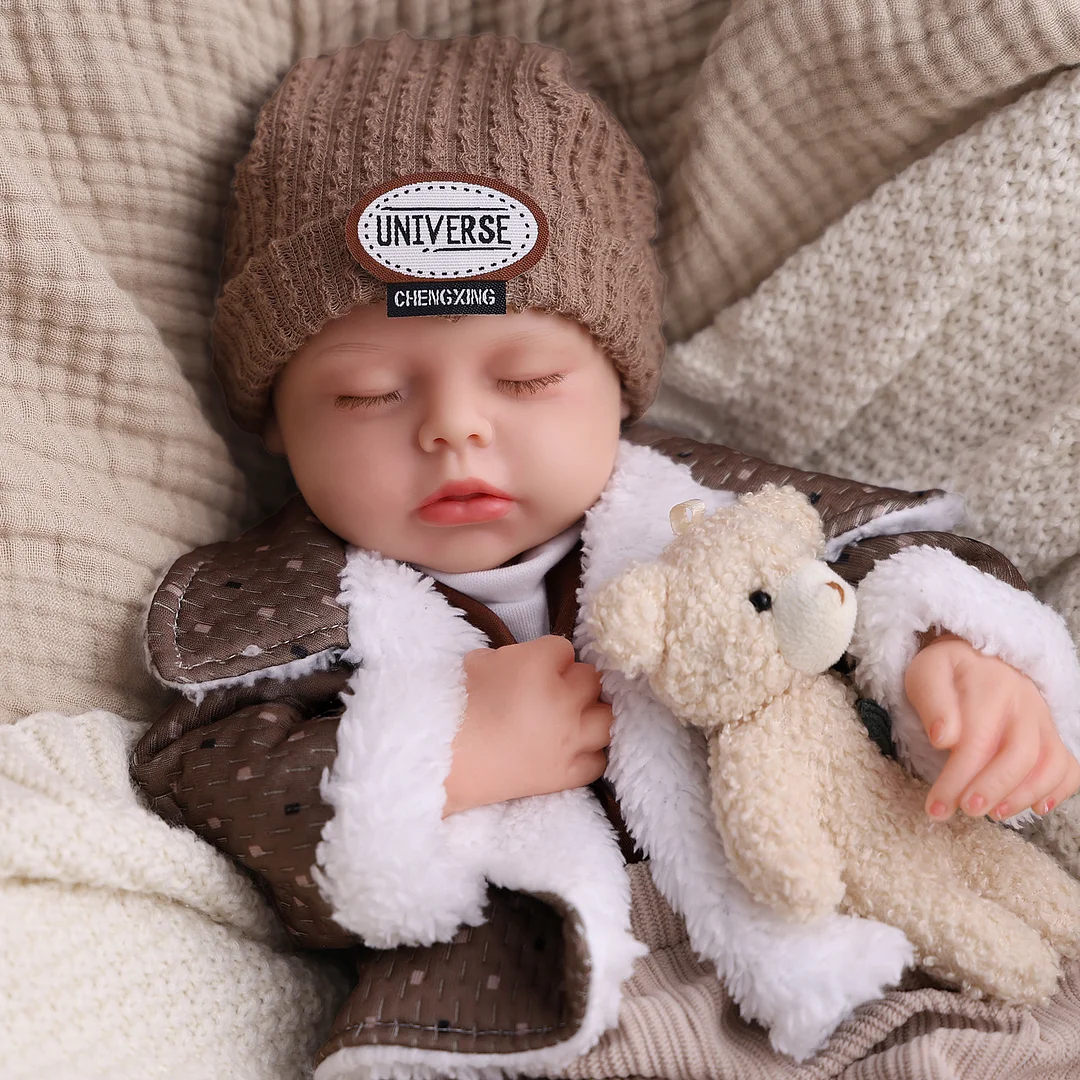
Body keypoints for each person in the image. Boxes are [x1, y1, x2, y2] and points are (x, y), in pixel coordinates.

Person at [131, 31, 1080, 1078]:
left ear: (617, 385)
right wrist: (440, 752)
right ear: (277, 419)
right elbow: (203, 780)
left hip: (841, 954)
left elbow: (888, 560)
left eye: (526, 379)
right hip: (532, 1007)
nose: (454, 428)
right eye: (368, 393)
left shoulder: (710, 508)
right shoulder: (274, 613)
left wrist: (955, 656)